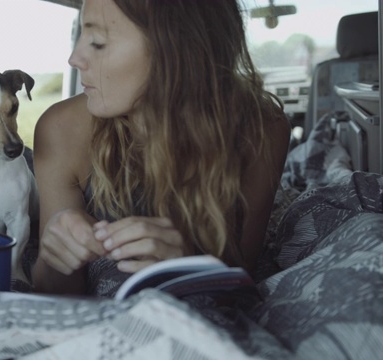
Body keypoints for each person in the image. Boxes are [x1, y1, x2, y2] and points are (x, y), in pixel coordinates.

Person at [31, 0, 291, 297]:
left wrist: (188, 268)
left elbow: (240, 277)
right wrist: (57, 258)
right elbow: (53, 293)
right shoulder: (62, 130)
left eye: (98, 42)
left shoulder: (263, 129)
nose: (75, 58)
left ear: (177, 49)